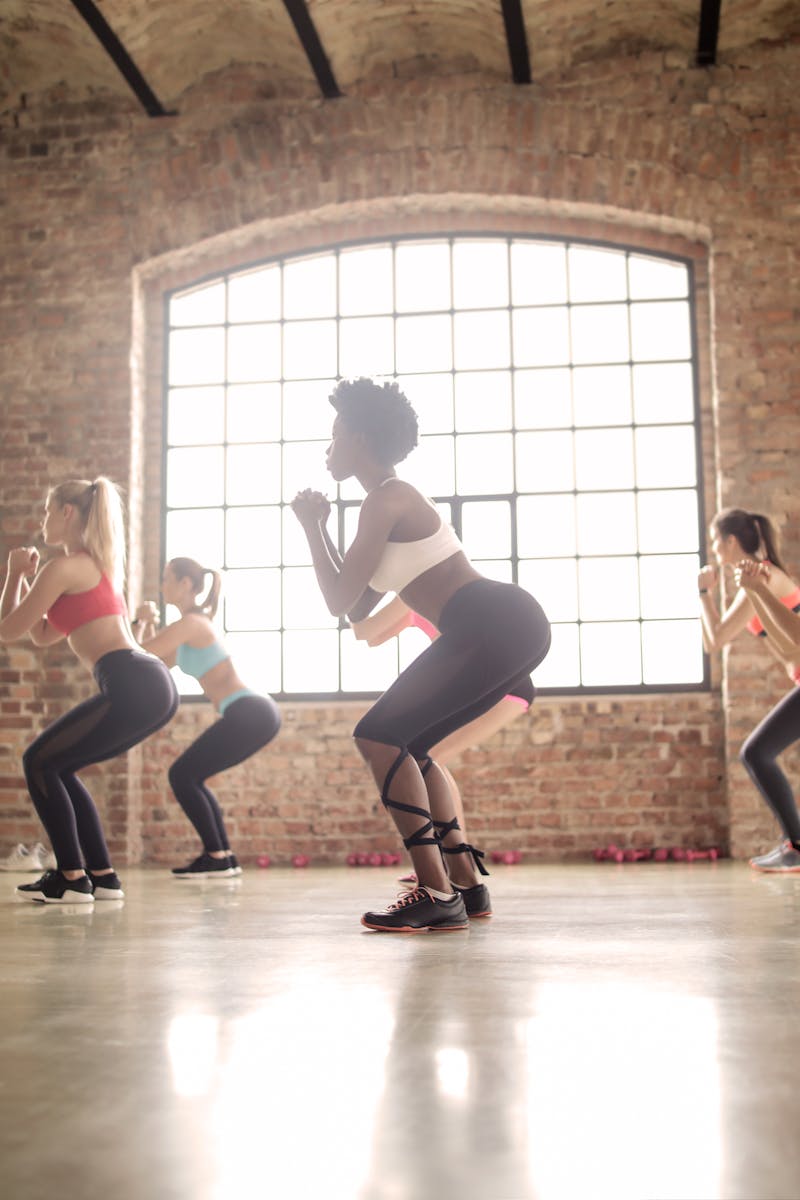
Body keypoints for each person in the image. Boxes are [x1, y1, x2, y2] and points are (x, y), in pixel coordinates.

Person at [291, 377, 551, 932]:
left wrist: (314, 528)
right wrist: (324, 531)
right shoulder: (383, 503)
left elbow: (337, 597)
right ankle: (466, 887)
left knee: (377, 735)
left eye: (335, 437)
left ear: (359, 439)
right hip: (498, 624)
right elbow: (355, 606)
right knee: (417, 747)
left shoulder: (389, 496)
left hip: (490, 620)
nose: (328, 449)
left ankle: (434, 890)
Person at [0, 477, 179, 903]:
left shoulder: (64, 568)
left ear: (67, 513)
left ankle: (71, 878)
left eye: (48, 512)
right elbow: (42, 633)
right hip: (149, 682)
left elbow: (8, 629)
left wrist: (12, 574)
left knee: (38, 761)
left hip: (132, 680)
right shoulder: (94, 568)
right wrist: (24, 580)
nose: (43, 521)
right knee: (59, 766)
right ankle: (101, 876)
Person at [350, 594, 534, 905]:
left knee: (427, 758)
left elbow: (362, 631)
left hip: (502, 684)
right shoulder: (417, 600)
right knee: (426, 757)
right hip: (507, 680)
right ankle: (455, 865)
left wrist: (358, 598)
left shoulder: (411, 591)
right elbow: (373, 638)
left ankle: (453, 863)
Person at [134, 557, 281, 878]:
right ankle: (222, 856)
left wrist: (142, 621)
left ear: (186, 584)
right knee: (189, 776)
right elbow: (151, 662)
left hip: (250, 710)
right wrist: (144, 625)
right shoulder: (191, 627)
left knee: (182, 774)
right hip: (251, 711)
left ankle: (216, 855)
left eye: (167, 578)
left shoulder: (191, 624)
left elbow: (139, 651)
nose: (162, 586)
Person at [698, 507, 800, 871]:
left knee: (757, 752)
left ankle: (796, 844)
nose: (714, 550)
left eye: (715, 542)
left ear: (731, 541)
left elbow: (719, 637)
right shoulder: (754, 580)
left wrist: (707, 594)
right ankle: (795, 843)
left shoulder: (763, 577)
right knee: (757, 753)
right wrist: (704, 595)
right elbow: (714, 642)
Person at [732, 557, 800, 872]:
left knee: (757, 752)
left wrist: (759, 589)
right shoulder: (760, 578)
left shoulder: (773, 574)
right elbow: (789, 652)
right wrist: (756, 592)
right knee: (756, 752)